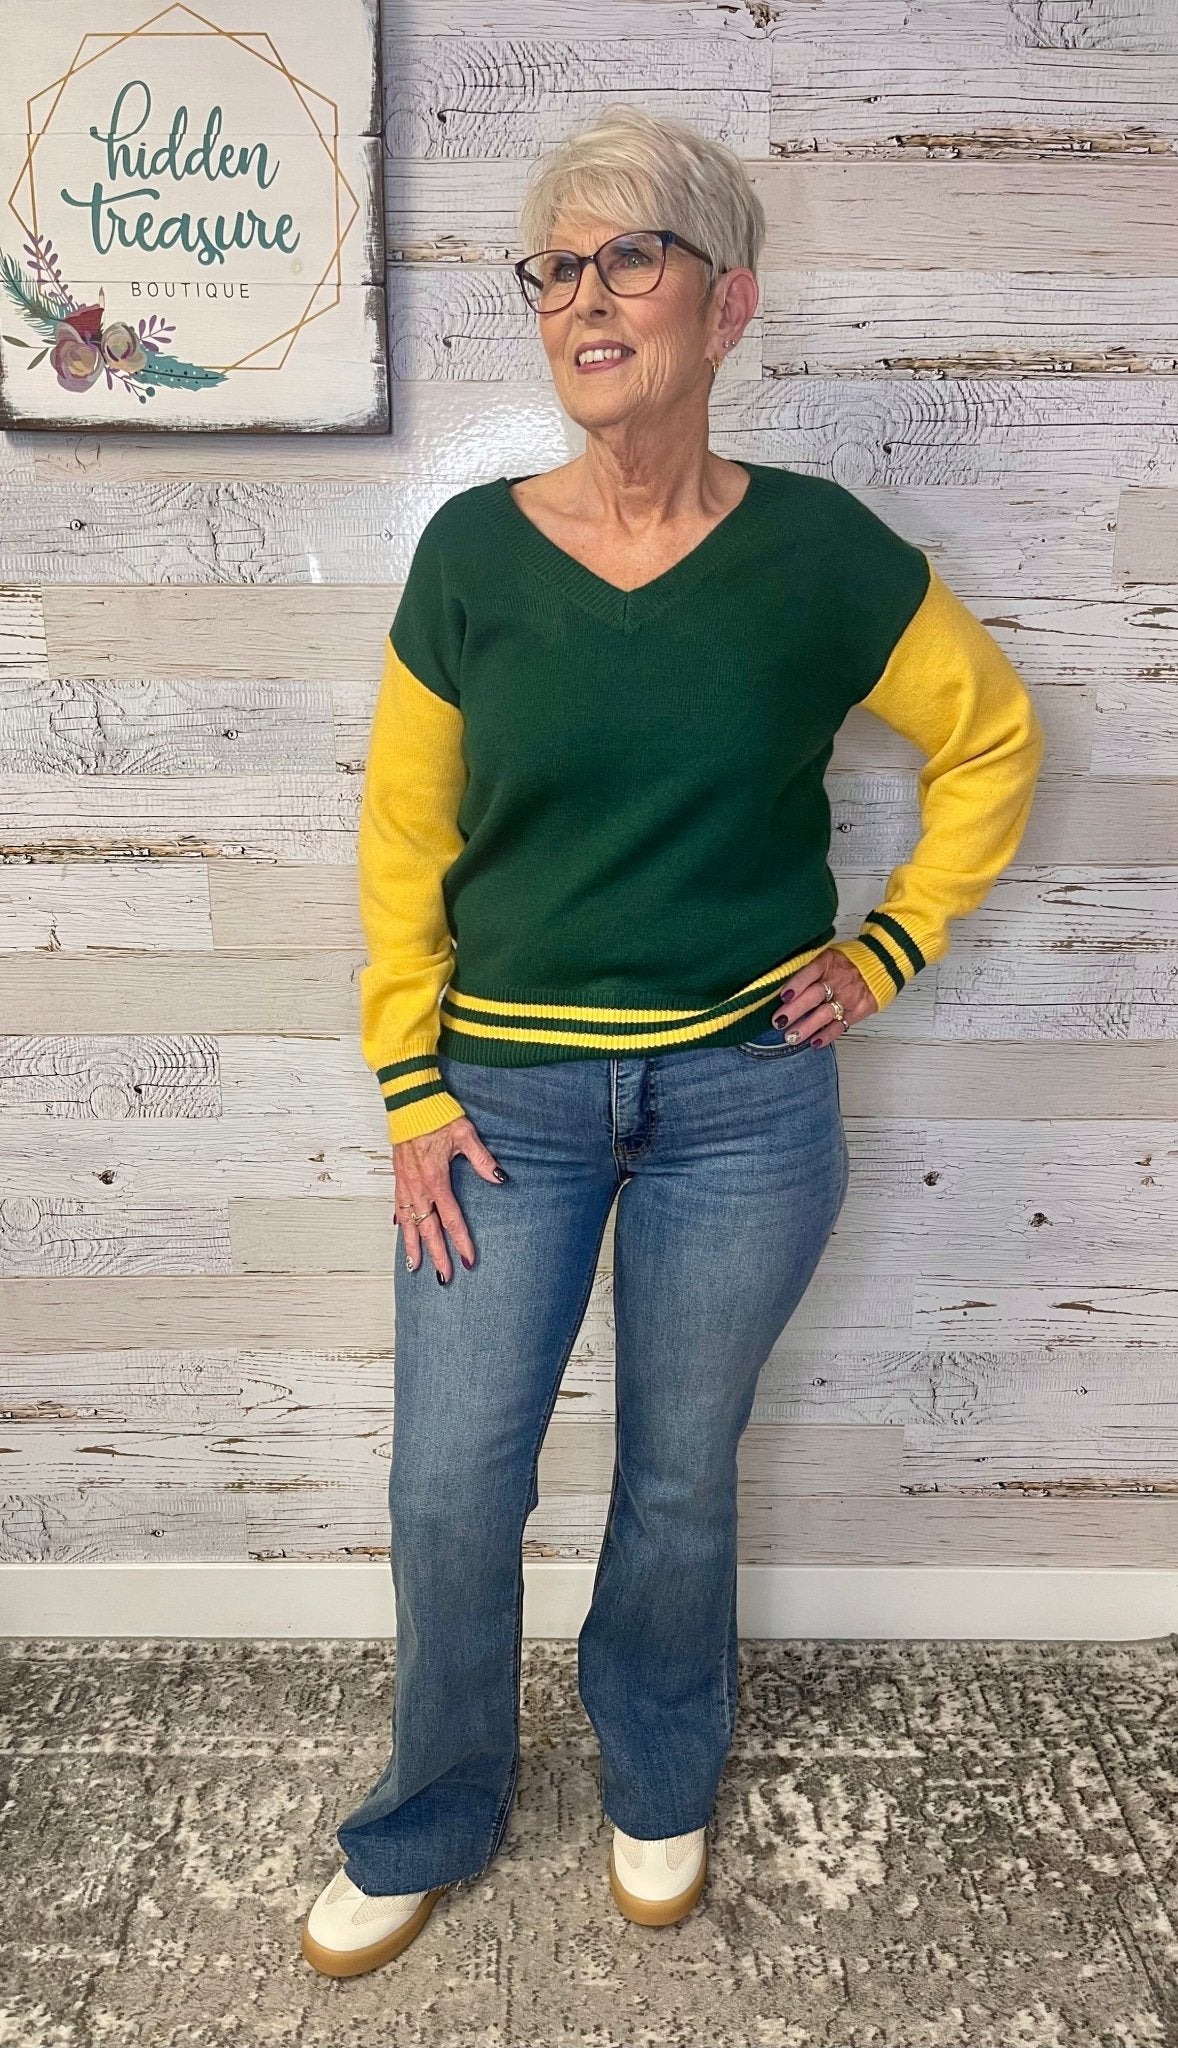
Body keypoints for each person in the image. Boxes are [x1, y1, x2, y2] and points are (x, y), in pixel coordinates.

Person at [301, 103, 1045, 1979]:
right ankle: (433, 1806)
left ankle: (654, 1769)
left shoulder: (816, 552)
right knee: (448, 1484)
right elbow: (400, 843)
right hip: (501, 1108)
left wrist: (888, 947)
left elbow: (990, 738)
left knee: (678, 1473)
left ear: (728, 304)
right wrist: (407, 1085)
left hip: (744, 1104)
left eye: (628, 257)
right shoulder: (470, 558)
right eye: (555, 267)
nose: (584, 297)